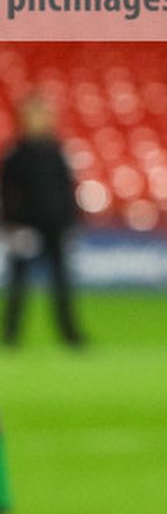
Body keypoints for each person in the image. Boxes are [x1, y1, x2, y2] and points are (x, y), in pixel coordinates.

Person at [1, 93, 84, 347]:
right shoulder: (16, 154)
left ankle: (69, 334)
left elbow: (67, 189)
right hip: (26, 228)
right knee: (19, 285)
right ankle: (11, 336)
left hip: (56, 228)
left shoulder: (57, 152)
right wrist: (13, 226)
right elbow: (5, 193)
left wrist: (71, 223)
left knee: (62, 284)